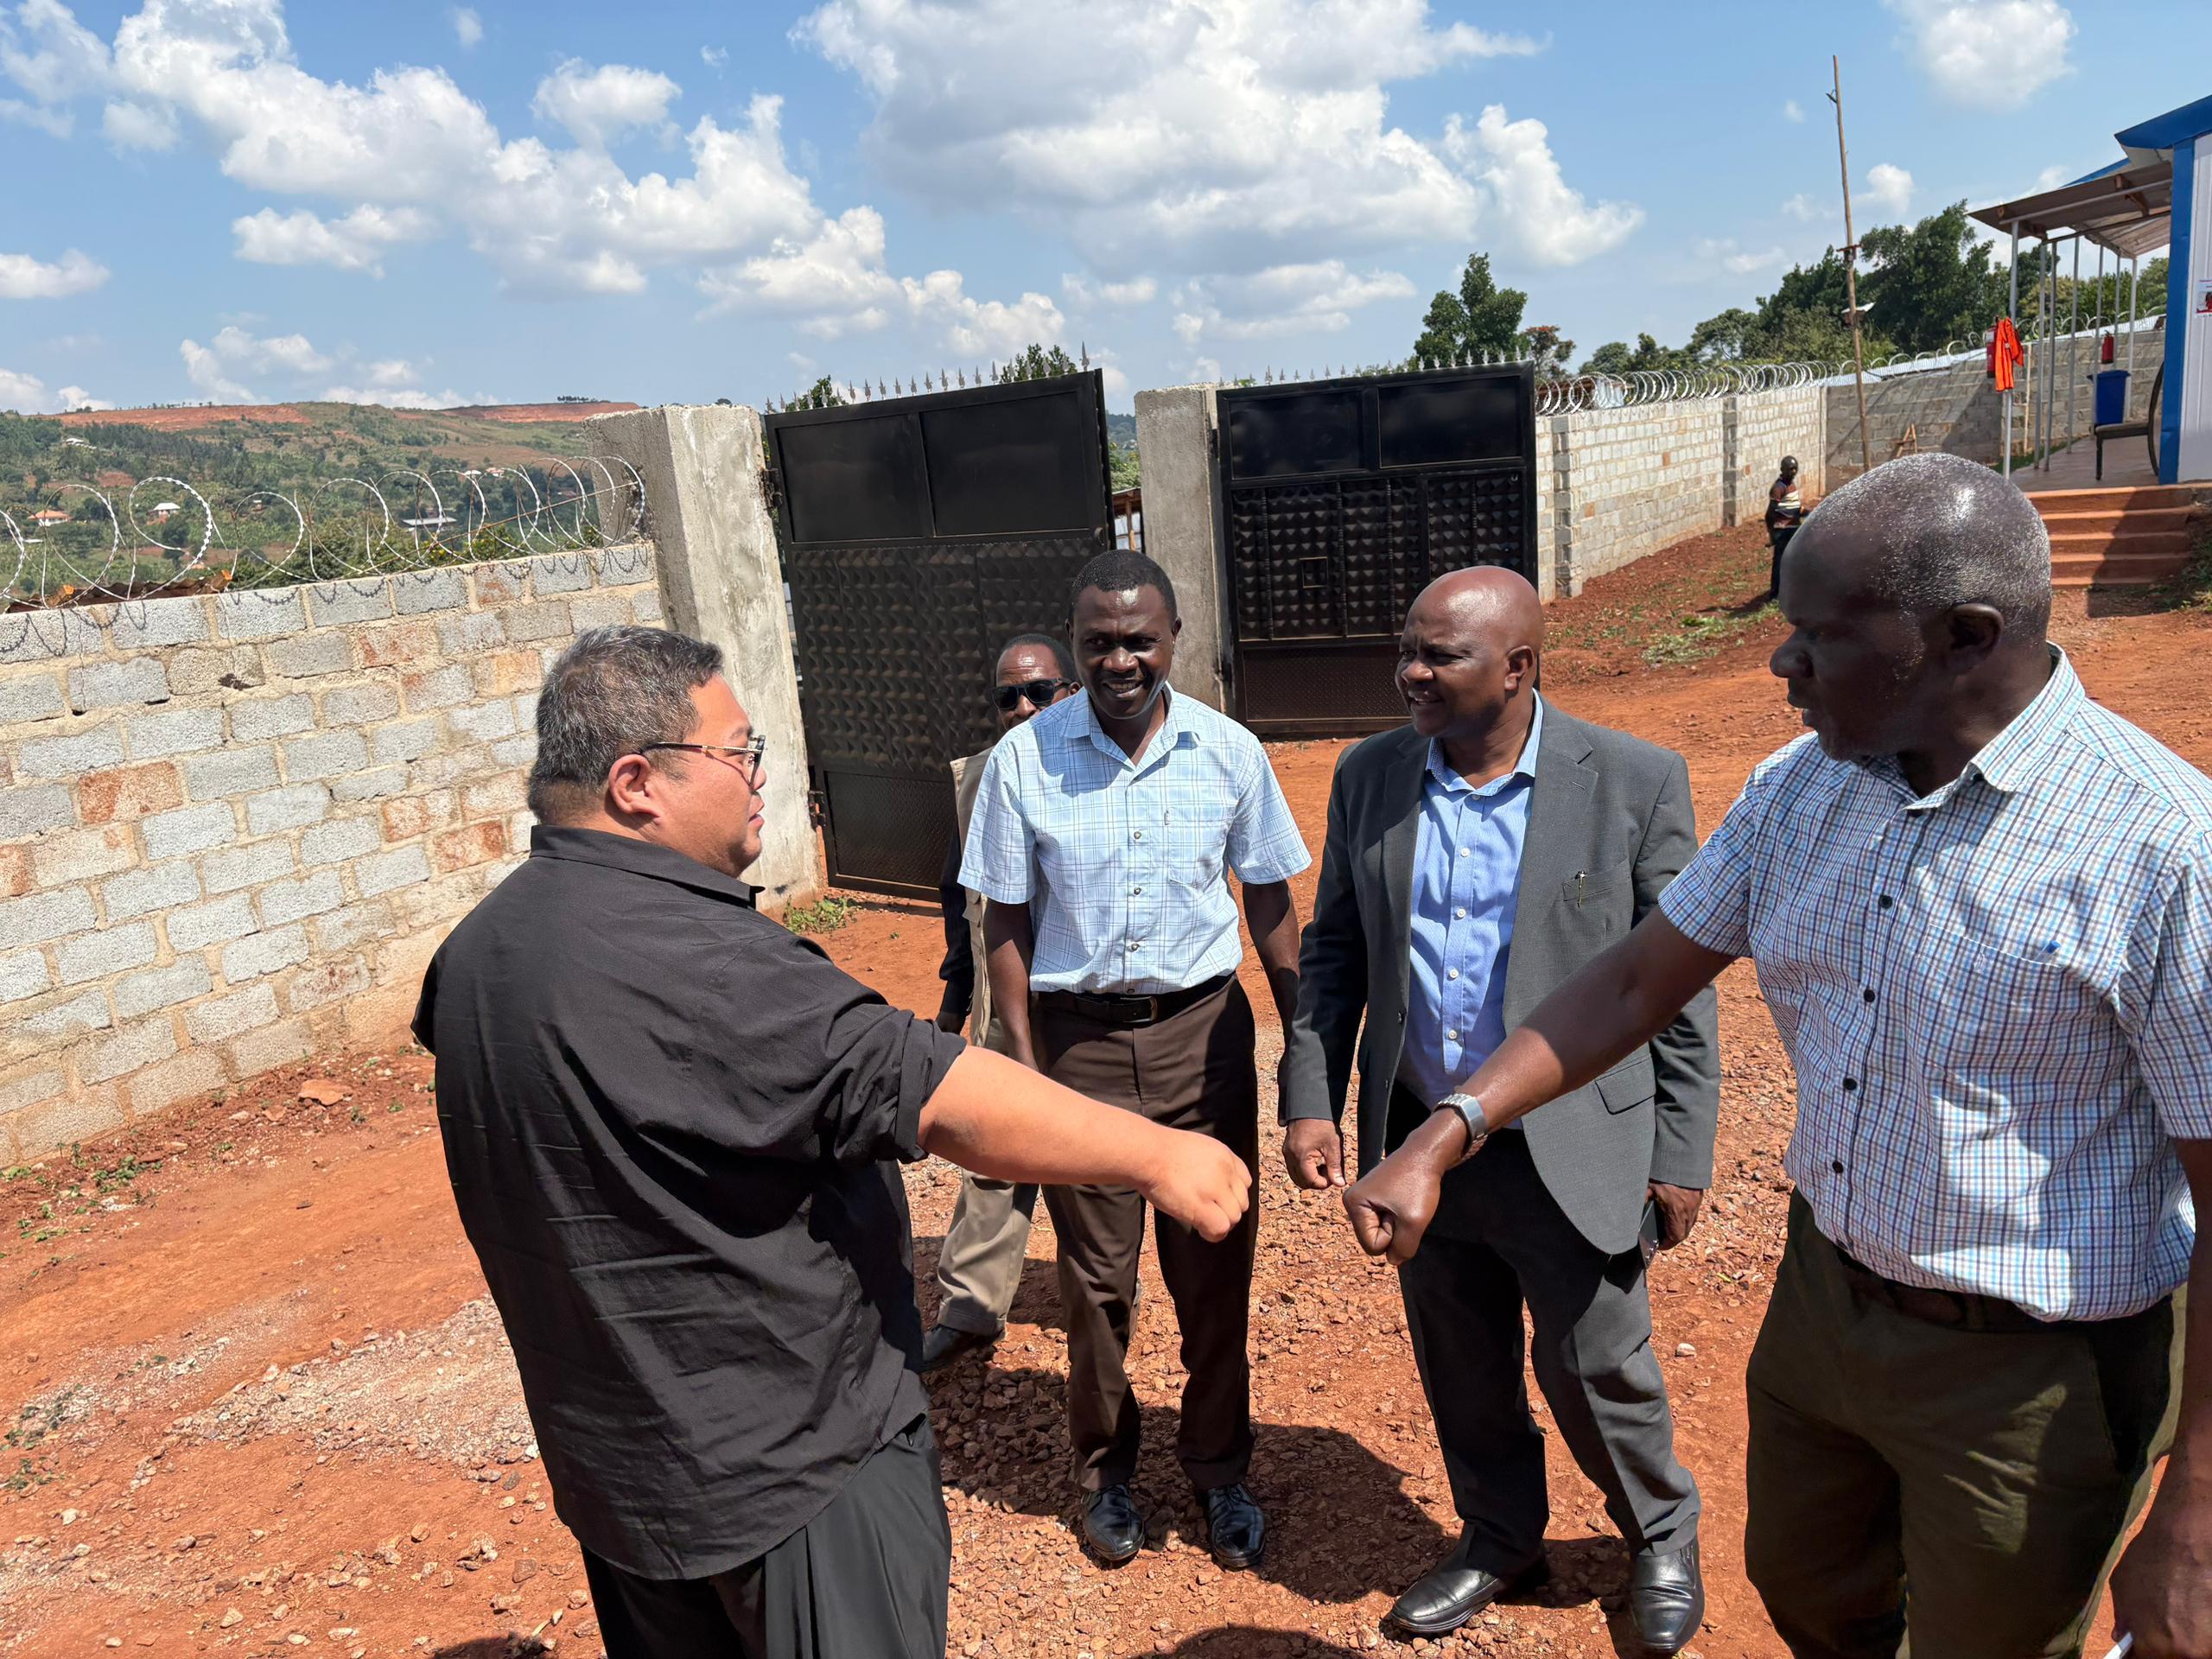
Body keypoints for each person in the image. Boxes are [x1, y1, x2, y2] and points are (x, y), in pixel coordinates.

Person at [1342, 454, 2212, 1659]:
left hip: (2030, 1375)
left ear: (1965, 637)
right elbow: (1641, 978)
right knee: (1808, 1593)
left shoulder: (2162, 848)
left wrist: (2201, 1515)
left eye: (1820, 636)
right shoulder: (1804, 788)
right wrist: (1446, 1134)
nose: (1780, 663)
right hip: (1824, 1308)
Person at [414, 626, 1252, 1659]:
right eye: (739, 751)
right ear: (638, 782)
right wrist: (1158, 1154)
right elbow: (933, 1089)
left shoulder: (481, 950)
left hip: (622, 1478)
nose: (762, 778)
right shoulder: (710, 963)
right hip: (795, 1475)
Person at [1281, 567, 1717, 1653]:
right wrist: (1311, 1097)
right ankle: (1499, 1536)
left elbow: (1670, 983)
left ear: (1519, 668)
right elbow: (1333, 950)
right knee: (1458, 1356)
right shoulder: (1372, 776)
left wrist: (1680, 1146)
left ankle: (1657, 1532)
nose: (1409, 673)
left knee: (1595, 1363)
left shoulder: (1632, 781)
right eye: (1408, 649)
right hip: (1418, 1134)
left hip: (1571, 1135)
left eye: (1440, 656)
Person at [962, 549, 1310, 1572]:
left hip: (1205, 1039)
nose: (1120, 660)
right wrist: (1020, 1065)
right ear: (1077, 647)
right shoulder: (1025, 761)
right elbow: (1006, 920)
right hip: (1080, 1049)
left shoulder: (1229, 752)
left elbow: (1274, 907)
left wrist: (1308, 1057)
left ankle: (1217, 1472)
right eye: (1099, 642)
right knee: (1094, 1280)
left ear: (1173, 640)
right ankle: (1107, 1472)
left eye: (1139, 640)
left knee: (1213, 1270)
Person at [922, 632, 1081, 1370]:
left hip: (1085, 1003)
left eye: (1039, 692)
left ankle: (1101, 1302)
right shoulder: (978, 780)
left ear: (1071, 692)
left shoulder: (1103, 770)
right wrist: (955, 1007)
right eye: (1007, 698)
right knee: (993, 1146)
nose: (1022, 709)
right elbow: (965, 906)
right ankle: (972, 1308)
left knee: (1092, 1149)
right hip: (1000, 1000)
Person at [1764, 454, 1805, 602]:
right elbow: (1770, 513)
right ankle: (1775, 594)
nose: (1793, 472)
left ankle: (1790, 590)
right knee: (1780, 562)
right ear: (1783, 470)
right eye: (1790, 469)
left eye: (1795, 469)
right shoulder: (1779, 488)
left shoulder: (1792, 486)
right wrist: (1772, 534)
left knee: (1794, 560)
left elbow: (1795, 508)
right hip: (1783, 531)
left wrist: (1810, 513)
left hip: (1794, 529)